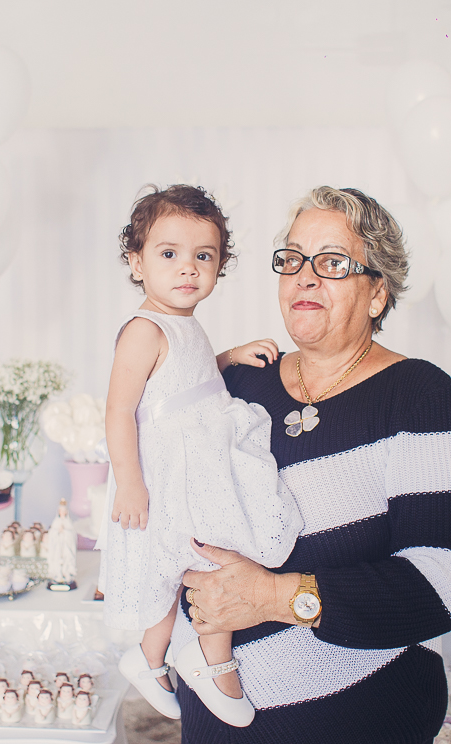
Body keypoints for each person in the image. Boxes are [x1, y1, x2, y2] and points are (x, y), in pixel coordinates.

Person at [177, 187, 451, 744]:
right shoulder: (241, 383)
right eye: (292, 259)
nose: (304, 277)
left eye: (333, 263)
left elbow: (449, 580)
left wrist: (273, 597)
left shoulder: (418, 393)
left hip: (364, 717)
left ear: (377, 294)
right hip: (218, 718)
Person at [99, 184, 303, 727]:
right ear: (136, 262)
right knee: (186, 561)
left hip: (203, 464)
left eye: (203, 256)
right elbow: (121, 410)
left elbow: (179, 379)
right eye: (169, 254)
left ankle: (160, 657)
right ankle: (195, 659)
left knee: (215, 553)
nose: (188, 269)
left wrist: (228, 356)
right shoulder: (143, 329)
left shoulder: (182, 324)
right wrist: (129, 483)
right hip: (170, 474)